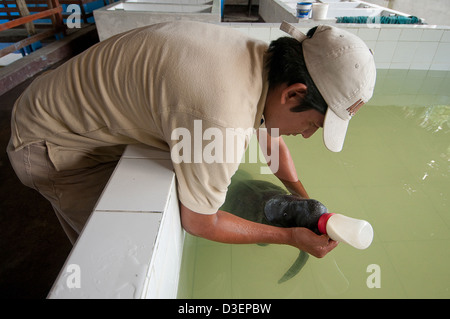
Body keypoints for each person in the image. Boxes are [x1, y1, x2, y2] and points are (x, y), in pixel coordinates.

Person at [7, 21, 376, 258]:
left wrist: (301, 196)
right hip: (51, 141)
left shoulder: (257, 57)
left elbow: (270, 137)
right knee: (114, 253)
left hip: (62, 99)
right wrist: (291, 237)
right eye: (314, 124)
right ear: (294, 94)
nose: (308, 135)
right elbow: (201, 222)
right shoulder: (221, 119)